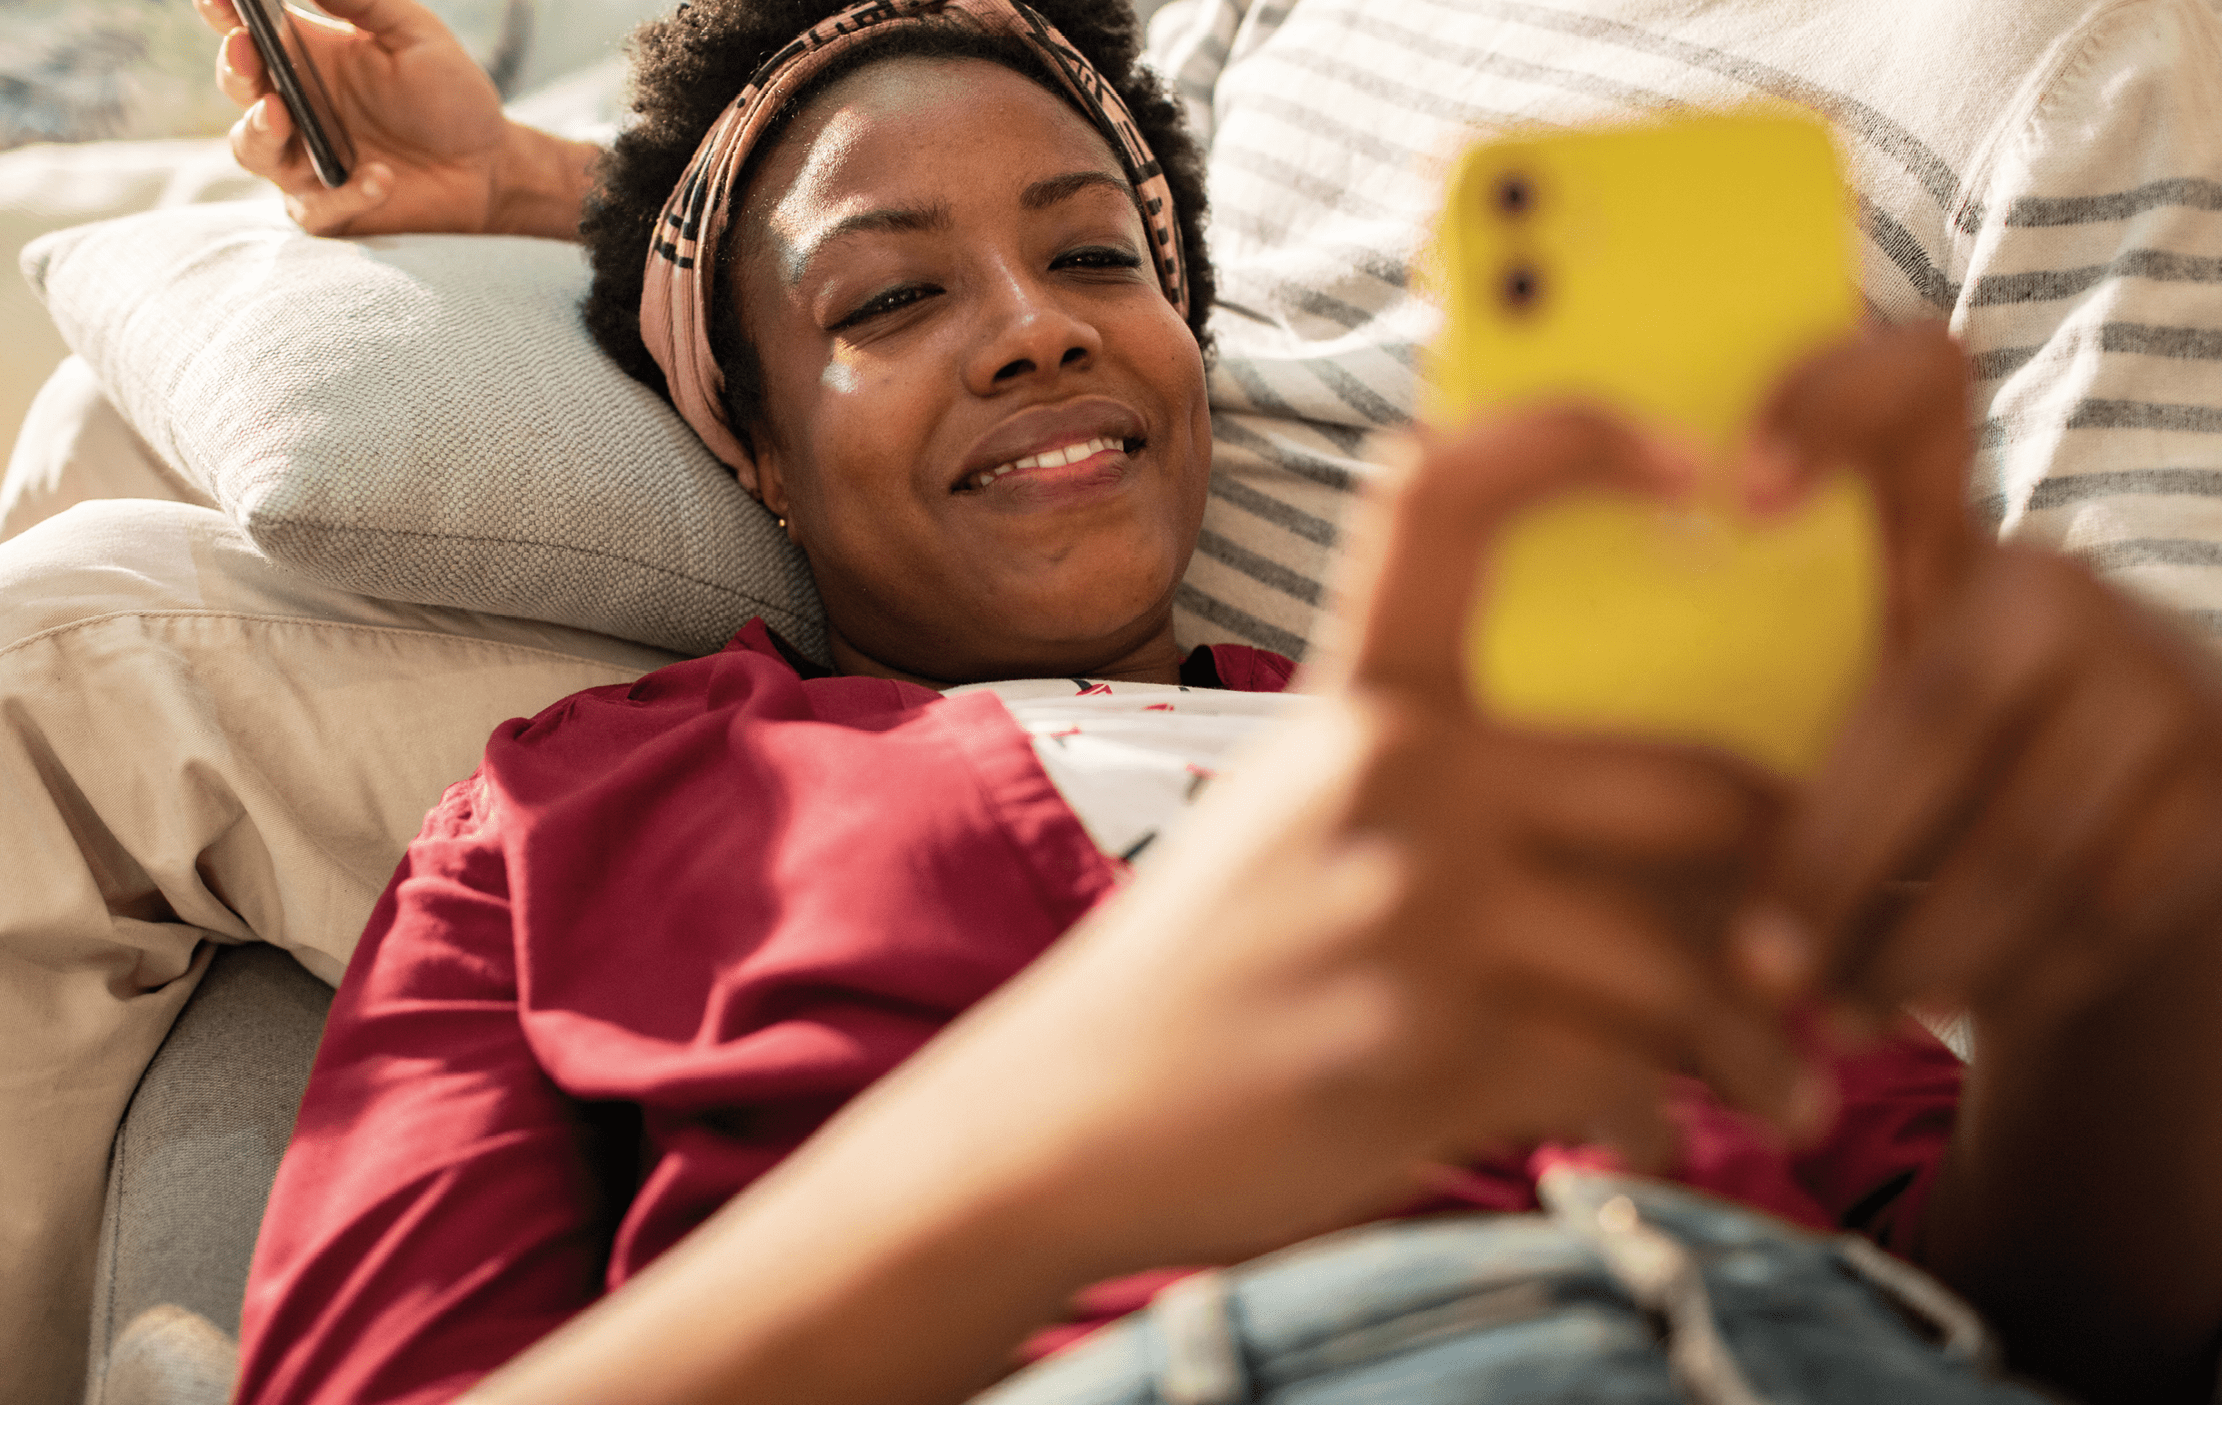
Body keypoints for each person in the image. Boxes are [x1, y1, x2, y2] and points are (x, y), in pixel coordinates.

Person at [177, 0, 2222, 1405]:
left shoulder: (1507, 767)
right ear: (757, 449)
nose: (1036, 333)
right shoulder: (574, 811)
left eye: (1097, 261)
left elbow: (2060, 1325)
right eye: (891, 298)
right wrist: (1081, 1132)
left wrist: (2137, 942)